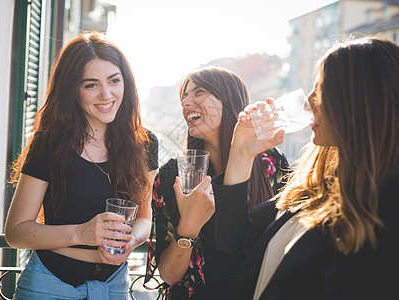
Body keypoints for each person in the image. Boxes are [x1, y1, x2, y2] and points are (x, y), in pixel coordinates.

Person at [213, 37, 399, 299]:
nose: (308, 101)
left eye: (320, 90)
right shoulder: (317, 185)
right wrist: (241, 151)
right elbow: (233, 239)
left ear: (358, 101)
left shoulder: (388, 205)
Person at [5, 31, 158, 299]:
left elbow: (145, 218)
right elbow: (16, 232)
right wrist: (83, 233)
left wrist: (132, 239)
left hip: (114, 286)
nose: (106, 94)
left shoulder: (144, 144)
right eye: (91, 85)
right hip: (50, 286)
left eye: (114, 81)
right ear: (72, 90)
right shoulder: (49, 144)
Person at [144, 67, 290, 299]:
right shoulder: (173, 174)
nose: (186, 103)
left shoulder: (270, 161)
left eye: (198, 92)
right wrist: (188, 227)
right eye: (184, 97)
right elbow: (169, 275)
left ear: (229, 99)